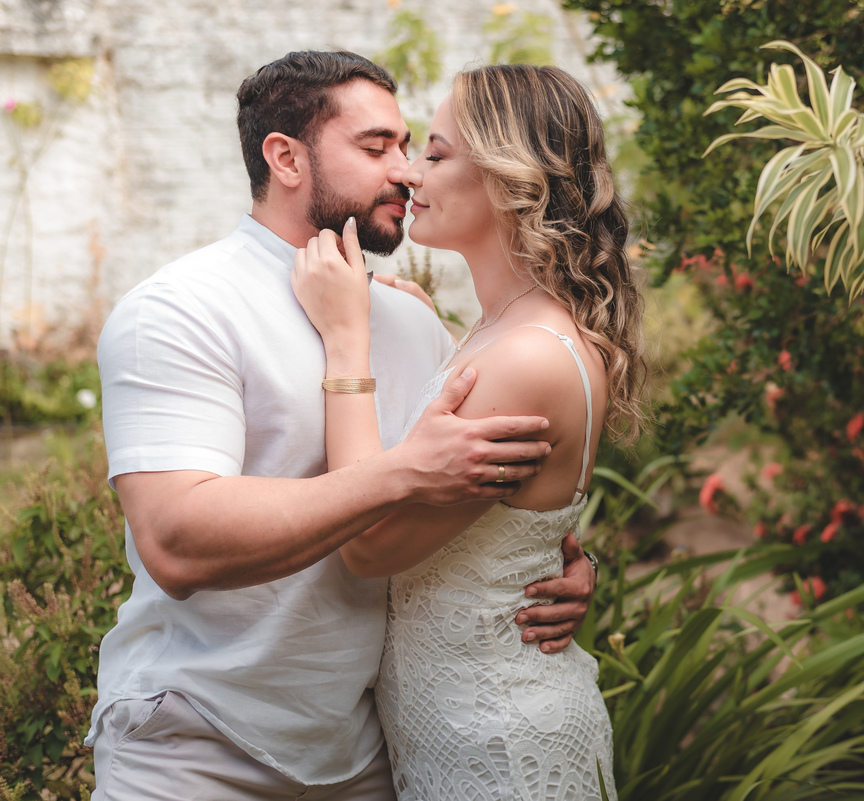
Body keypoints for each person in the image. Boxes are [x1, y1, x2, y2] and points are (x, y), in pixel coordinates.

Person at [85, 51, 597, 800]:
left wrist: (551, 568)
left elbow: (471, 507)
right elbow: (175, 539)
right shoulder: (180, 310)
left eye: (412, 146)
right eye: (376, 147)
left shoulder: (413, 321)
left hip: (371, 753)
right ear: (285, 157)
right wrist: (400, 472)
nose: (406, 171)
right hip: (196, 747)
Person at [291, 64, 645, 800]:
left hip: (498, 745)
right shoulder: (501, 334)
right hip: (457, 725)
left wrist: (347, 341)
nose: (411, 173)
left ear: (512, 178)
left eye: (438, 154)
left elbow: (367, 544)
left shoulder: (524, 358)